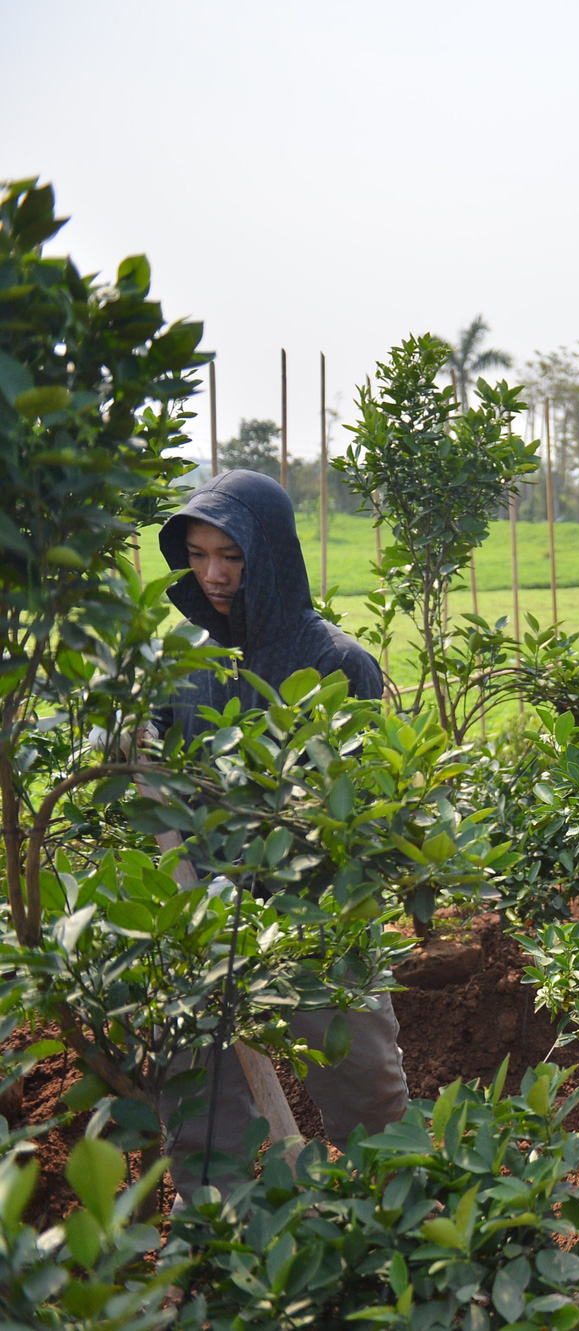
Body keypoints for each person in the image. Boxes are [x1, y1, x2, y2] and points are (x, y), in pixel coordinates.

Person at [155, 469, 408, 1196]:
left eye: (230, 555)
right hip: (205, 910)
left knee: (366, 1087)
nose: (214, 574)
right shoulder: (181, 661)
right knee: (198, 1098)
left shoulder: (337, 662)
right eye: (198, 555)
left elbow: (359, 806)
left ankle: (384, 1212)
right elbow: (155, 776)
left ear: (269, 554)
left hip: (319, 913)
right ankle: (218, 1234)